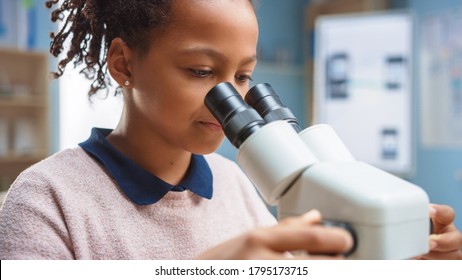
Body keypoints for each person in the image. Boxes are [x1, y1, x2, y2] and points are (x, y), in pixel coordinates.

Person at [0, 0, 460, 260]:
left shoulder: (235, 181)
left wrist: (407, 262)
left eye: (242, 78)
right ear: (124, 64)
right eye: (201, 70)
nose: (232, 102)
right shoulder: (47, 199)